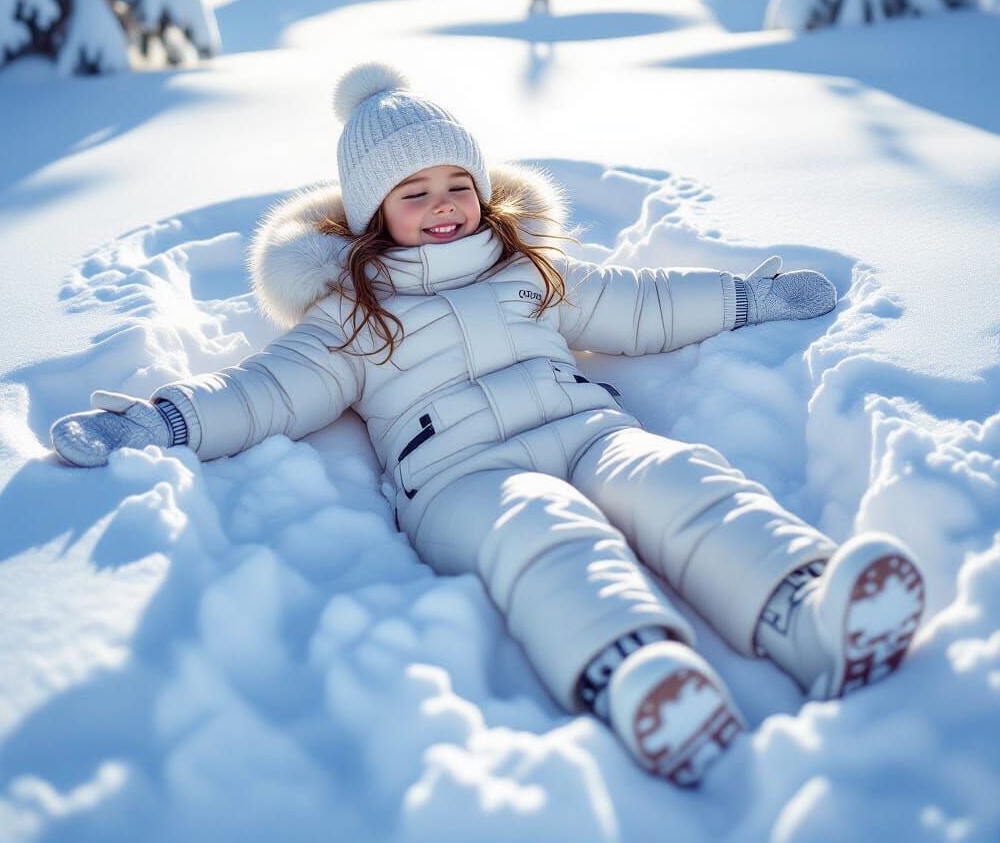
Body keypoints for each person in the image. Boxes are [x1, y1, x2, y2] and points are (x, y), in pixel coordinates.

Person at [50, 62, 926, 787]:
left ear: (482, 188)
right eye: (413, 192)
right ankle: (636, 678)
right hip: (465, 479)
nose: (443, 205)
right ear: (370, 216)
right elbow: (264, 391)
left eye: (457, 184)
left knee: (677, 477)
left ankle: (805, 614)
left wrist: (745, 298)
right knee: (546, 533)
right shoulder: (353, 312)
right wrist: (160, 421)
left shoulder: (528, 271)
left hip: (583, 430)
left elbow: (642, 305)